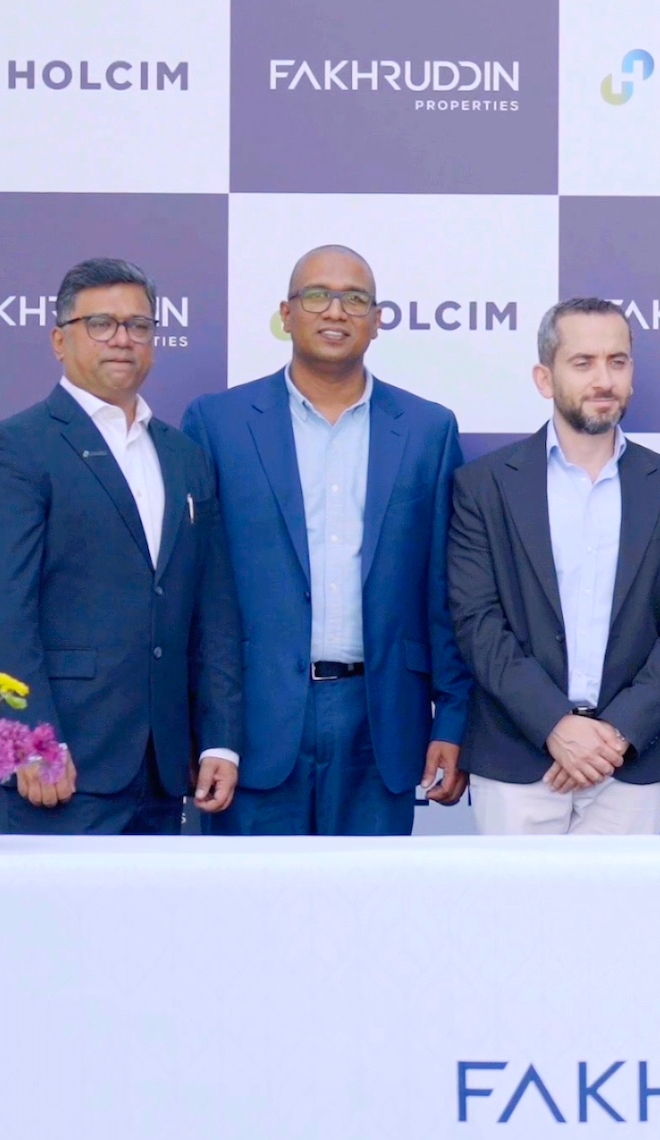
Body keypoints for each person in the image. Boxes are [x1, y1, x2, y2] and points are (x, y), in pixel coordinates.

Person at [179, 245, 472, 835]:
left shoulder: (428, 430)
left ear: (378, 320)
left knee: (370, 895)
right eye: (317, 296)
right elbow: (198, 591)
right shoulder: (217, 423)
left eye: (354, 299)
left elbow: (445, 589)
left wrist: (452, 720)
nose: (335, 311)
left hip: (382, 720)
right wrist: (209, 731)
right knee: (248, 894)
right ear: (286, 314)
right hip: (253, 722)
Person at [0, 257, 241, 834]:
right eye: (101, 324)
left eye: (138, 325)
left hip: (166, 768)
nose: (122, 338)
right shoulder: (14, 447)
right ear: (59, 340)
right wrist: (34, 739)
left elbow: (212, 610)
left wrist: (219, 740)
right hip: (60, 765)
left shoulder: (184, 455)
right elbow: (3, 612)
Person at [448, 299, 660, 835]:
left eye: (617, 362)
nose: (604, 380)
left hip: (629, 761)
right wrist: (554, 725)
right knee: (515, 897)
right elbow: (477, 622)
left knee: (622, 899)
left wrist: (615, 735)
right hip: (518, 757)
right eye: (583, 363)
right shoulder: (484, 486)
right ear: (544, 378)